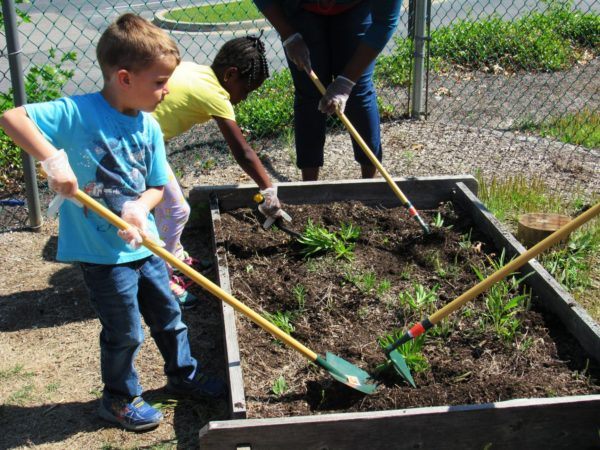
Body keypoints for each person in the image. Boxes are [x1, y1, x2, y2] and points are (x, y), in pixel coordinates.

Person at [0, 13, 224, 432]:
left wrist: (141, 207)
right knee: (125, 331)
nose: (166, 90)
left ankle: (184, 375)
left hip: (147, 244)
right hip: (102, 254)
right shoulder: (77, 113)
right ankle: (119, 399)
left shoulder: (149, 127)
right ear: (124, 78)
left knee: (170, 315)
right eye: (158, 82)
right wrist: (52, 160)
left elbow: (158, 185)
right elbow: (13, 118)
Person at [152, 35, 290, 306]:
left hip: (144, 135)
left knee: (170, 200)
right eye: (246, 90)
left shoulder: (198, 70)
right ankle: (161, 277)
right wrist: (268, 189)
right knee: (178, 210)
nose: (244, 97)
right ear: (230, 75)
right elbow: (243, 153)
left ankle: (175, 255)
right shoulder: (215, 94)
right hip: (138, 143)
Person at [252, 0, 402, 181]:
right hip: (301, 9)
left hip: (355, 8)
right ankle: (310, 188)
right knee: (309, 93)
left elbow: (385, 22)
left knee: (357, 91)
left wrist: (347, 81)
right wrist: (288, 34)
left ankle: (368, 184)